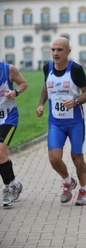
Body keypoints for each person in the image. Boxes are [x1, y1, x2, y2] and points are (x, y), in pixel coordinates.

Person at [36, 37, 86, 206]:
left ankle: (83, 190)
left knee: (77, 158)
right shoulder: (47, 68)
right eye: (53, 50)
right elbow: (46, 86)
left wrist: (75, 101)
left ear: (68, 51)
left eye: (60, 50)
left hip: (75, 122)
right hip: (55, 122)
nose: (55, 53)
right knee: (54, 159)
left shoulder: (75, 69)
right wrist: (40, 104)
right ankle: (68, 182)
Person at [0, 62, 28, 207]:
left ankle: (7, 189)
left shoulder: (8, 69)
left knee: (0, 152)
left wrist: (15, 92)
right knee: (2, 155)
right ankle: (15, 184)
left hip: (8, 118)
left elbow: (23, 83)